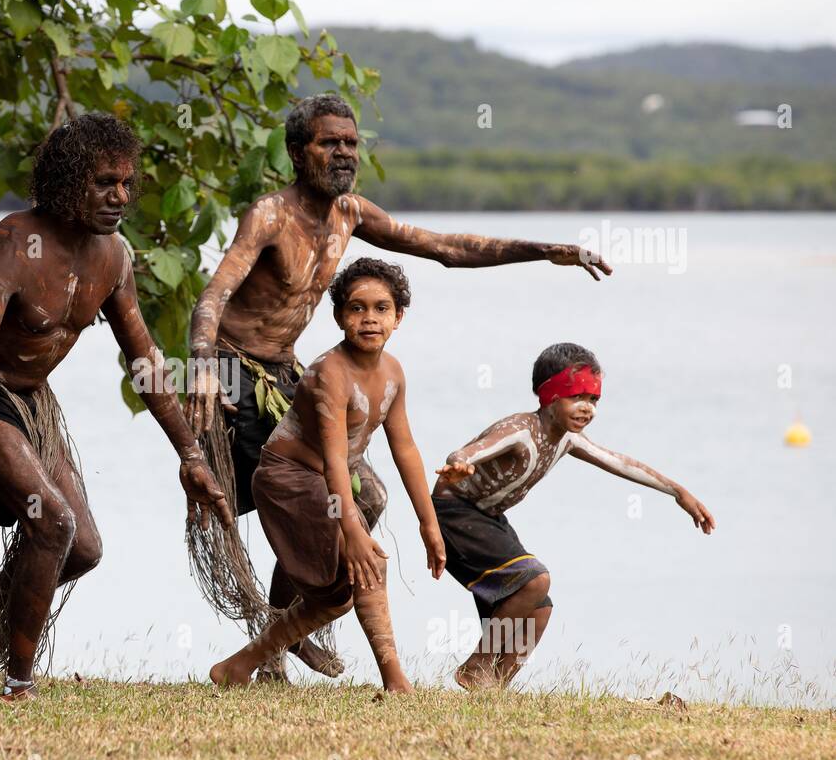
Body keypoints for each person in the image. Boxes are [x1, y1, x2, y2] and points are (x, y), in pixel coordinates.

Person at [186, 92, 612, 680]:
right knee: (293, 496)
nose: (342, 153)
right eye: (328, 142)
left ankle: (293, 626)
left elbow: (446, 249)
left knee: (366, 497)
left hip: (284, 371)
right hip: (234, 372)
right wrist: (204, 366)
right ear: (295, 151)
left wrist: (542, 251)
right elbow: (214, 295)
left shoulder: (350, 215)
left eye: (351, 143)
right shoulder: (269, 216)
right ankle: (300, 627)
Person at [0, 113, 232, 701]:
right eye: (103, 183)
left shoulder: (114, 257)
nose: (120, 197)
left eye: (126, 183)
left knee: (82, 547)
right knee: (53, 522)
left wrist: (191, 455)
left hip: (31, 398)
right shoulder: (12, 245)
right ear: (67, 182)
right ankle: (19, 681)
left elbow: (144, 361)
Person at [209, 258, 445, 692]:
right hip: (289, 479)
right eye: (356, 308)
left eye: (380, 308)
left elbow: (405, 448)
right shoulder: (328, 373)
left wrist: (429, 524)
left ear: (398, 317)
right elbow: (336, 460)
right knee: (364, 567)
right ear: (338, 316)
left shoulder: (392, 372)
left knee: (336, 595)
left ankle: (238, 666)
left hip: (323, 481)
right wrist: (352, 530)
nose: (368, 318)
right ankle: (395, 680)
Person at [431, 342, 715, 689]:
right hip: (453, 513)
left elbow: (619, 462)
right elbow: (470, 451)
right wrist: (461, 464)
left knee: (539, 609)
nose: (587, 408)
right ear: (550, 397)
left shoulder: (567, 440)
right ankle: (477, 665)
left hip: (488, 518)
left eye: (593, 400)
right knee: (535, 579)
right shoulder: (522, 430)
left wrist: (677, 492)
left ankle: (493, 688)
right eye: (576, 397)